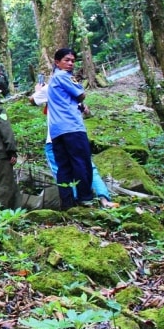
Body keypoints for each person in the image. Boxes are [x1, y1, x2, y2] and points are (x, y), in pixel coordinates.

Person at [30, 81, 119, 209]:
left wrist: (38, 90)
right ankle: (103, 200)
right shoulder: (73, 94)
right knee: (87, 168)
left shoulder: (51, 89)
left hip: (56, 139)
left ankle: (75, 203)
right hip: (76, 136)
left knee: (62, 172)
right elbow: (86, 110)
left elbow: (32, 100)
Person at [46, 48, 94, 210]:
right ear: (57, 62)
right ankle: (85, 198)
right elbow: (81, 94)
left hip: (56, 130)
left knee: (64, 166)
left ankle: (66, 202)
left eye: (73, 61)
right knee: (81, 162)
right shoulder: (63, 77)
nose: (70, 63)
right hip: (72, 127)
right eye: (66, 60)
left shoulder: (52, 80)